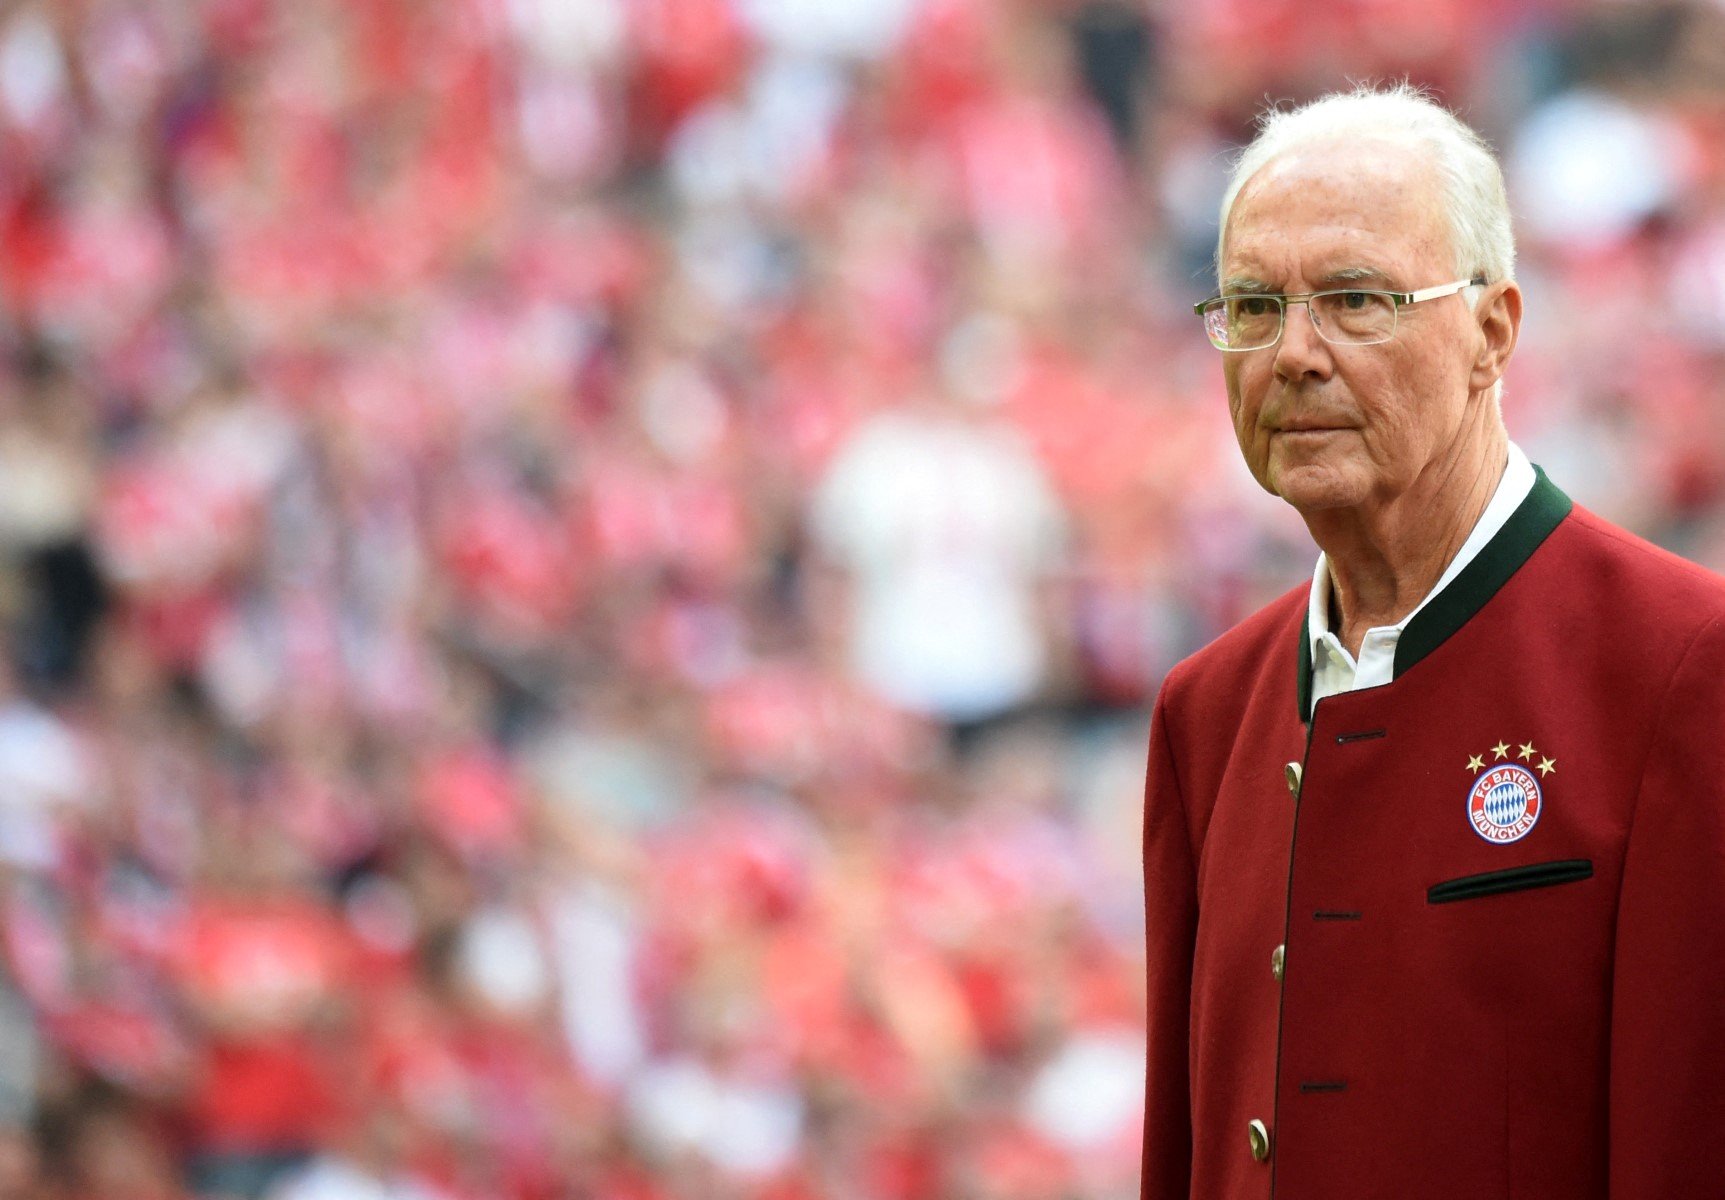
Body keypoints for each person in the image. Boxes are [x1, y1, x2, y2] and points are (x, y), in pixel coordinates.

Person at [1140, 84, 1725, 1199]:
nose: (1296, 352)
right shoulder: (1205, 710)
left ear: (1492, 332)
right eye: (1254, 306)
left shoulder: (1685, 665)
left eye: (1357, 300)